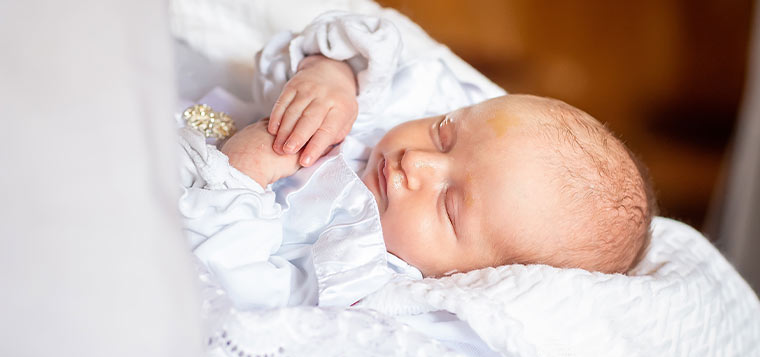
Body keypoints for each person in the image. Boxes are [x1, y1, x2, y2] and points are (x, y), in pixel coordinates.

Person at [180, 12, 654, 311]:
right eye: (444, 132)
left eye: (449, 206)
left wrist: (243, 177)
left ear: (469, 278)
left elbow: (233, 288)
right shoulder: (390, 105)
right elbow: (352, 43)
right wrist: (329, 77)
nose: (417, 162)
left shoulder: (355, 266)